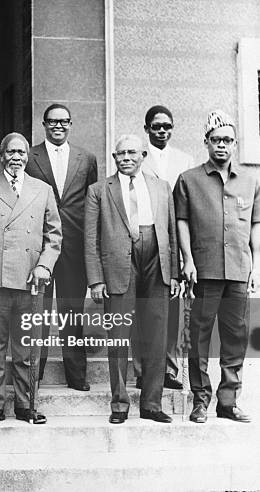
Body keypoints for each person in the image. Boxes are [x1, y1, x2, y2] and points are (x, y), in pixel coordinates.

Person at [0, 132, 61, 425]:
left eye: (21, 152)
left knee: (28, 347)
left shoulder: (42, 189)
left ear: (27, 156)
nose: (16, 157)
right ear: (2, 155)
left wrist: (44, 266)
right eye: (11, 152)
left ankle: (26, 404)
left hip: (31, 280)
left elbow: (54, 234)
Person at [85, 134, 179, 425]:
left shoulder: (162, 187)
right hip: (118, 266)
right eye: (120, 154)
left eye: (131, 153)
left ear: (143, 156)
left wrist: (174, 272)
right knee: (118, 336)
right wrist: (95, 280)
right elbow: (90, 238)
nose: (125, 158)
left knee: (156, 335)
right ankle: (120, 403)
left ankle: (151, 403)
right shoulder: (99, 190)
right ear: (113, 158)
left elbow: (172, 233)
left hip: (156, 263)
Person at [174, 110, 260, 423]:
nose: (221, 145)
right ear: (206, 142)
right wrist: (188, 260)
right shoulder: (189, 180)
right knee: (199, 337)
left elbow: (255, 226)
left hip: (238, 271)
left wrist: (256, 267)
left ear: (235, 144)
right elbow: (181, 222)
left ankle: (228, 401)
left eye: (227, 140)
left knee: (236, 337)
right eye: (216, 140)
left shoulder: (250, 181)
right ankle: (200, 400)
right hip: (204, 271)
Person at [25, 103, 97, 391]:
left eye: (64, 121)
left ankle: (76, 375)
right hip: (40, 245)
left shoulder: (86, 158)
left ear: (70, 124)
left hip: (75, 245)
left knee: (72, 310)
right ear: (44, 124)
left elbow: (90, 203)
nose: (58, 126)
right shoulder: (30, 156)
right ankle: (34, 375)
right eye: (53, 121)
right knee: (39, 311)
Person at [133, 104, 194, 391]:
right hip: (143, 242)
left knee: (171, 309)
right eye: (156, 126)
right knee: (142, 308)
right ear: (146, 129)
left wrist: (185, 256)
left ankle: (169, 369)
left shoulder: (184, 159)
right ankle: (142, 369)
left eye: (167, 126)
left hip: (172, 241)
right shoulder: (136, 157)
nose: (161, 131)